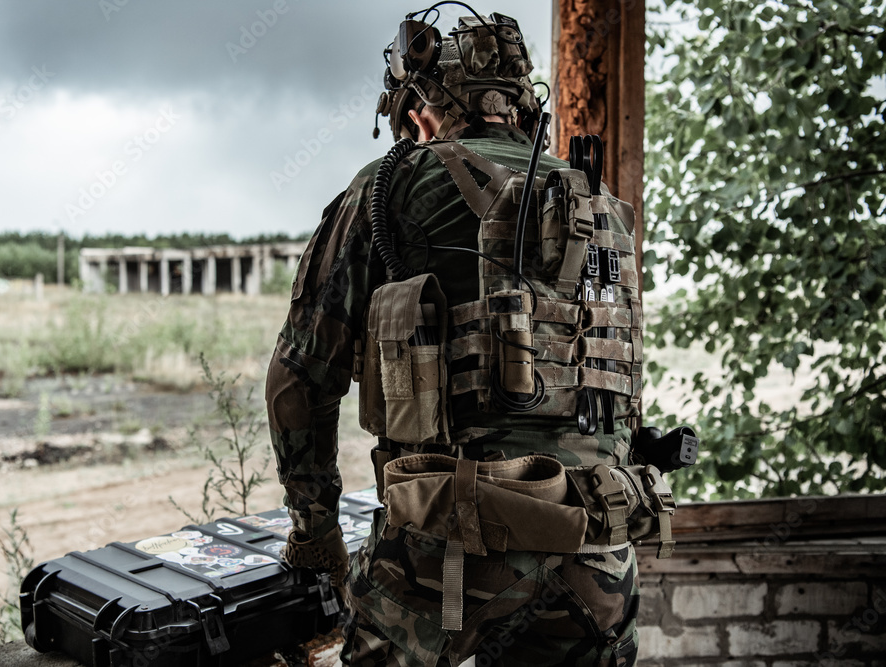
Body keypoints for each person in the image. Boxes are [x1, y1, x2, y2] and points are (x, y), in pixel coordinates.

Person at [267, 6, 653, 666]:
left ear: (421, 106)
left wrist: (315, 530)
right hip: (597, 555)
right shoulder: (601, 208)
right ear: (525, 107)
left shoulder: (385, 188)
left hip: (442, 552)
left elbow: (299, 380)